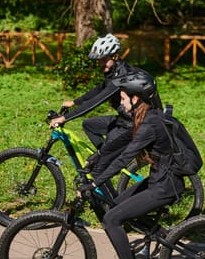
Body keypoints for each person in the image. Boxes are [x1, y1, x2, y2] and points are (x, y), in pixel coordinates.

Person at [77, 71, 184, 259]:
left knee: (111, 219)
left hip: (163, 187)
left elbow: (124, 159)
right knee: (117, 206)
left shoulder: (148, 125)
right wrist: (97, 157)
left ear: (136, 99)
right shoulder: (146, 118)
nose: (121, 103)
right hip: (161, 180)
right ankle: (169, 241)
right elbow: (123, 143)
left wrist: (95, 183)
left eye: (124, 98)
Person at [49, 33, 162, 179]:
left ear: (114, 56)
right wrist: (75, 102)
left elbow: (96, 101)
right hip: (123, 118)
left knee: (99, 167)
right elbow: (100, 89)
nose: (101, 63)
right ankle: (107, 156)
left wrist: (65, 118)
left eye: (104, 60)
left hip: (130, 124)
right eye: (99, 60)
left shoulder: (122, 76)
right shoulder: (114, 71)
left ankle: (105, 167)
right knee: (90, 125)